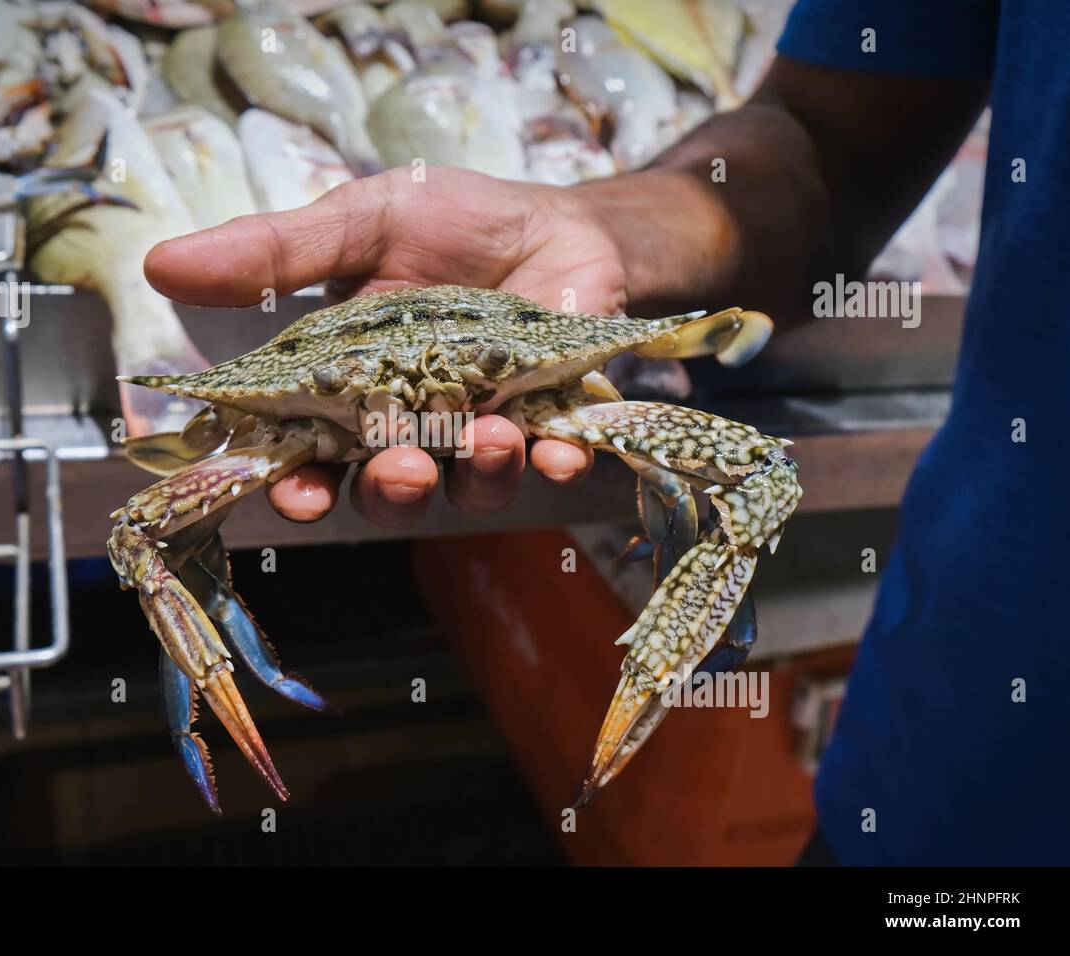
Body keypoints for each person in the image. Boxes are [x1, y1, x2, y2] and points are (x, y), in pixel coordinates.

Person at [144, 0, 1065, 866]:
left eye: (478, 372)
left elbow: (757, 479)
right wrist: (588, 225)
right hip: (945, 781)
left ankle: (652, 677)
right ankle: (220, 686)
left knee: (755, 474)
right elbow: (824, 141)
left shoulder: (571, 385)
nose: (441, 392)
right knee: (147, 531)